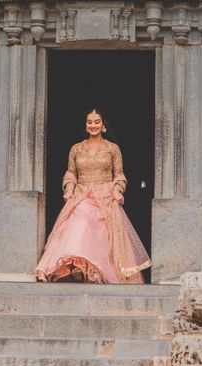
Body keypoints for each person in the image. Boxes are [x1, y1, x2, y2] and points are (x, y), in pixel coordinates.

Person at [35, 108, 151, 284]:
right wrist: (69, 188)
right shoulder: (76, 148)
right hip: (81, 195)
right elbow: (71, 173)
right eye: (89, 122)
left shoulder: (112, 149)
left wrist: (118, 190)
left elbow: (119, 174)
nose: (93, 125)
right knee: (78, 222)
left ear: (103, 124)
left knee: (101, 230)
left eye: (97, 121)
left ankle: (96, 271)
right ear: (85, 125)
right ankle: (69, 266)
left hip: (105, 196)